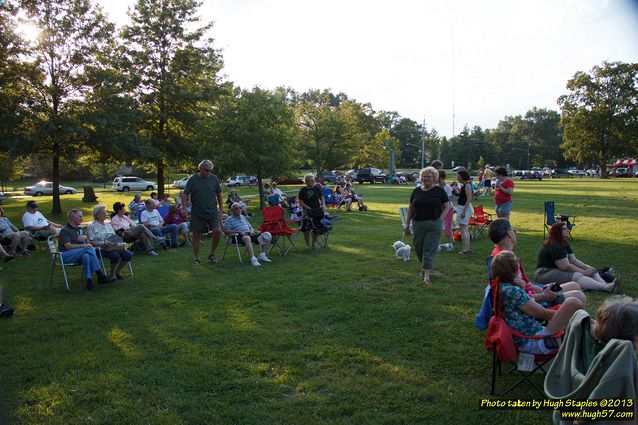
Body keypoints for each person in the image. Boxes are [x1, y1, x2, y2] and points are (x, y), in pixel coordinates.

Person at [492, 250, 584, 354]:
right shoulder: (513, 291)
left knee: (573, 306)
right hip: (532, 340)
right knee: (572, 303)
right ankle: (584, 331)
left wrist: (522, 289)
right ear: (513, 270)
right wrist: (568, 316)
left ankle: (583, 331)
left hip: (526, 334)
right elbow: (542, 314)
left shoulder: (504, 286)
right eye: (518, 266)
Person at [488, 218, 585, 306]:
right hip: (533, 301)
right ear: (509, 234)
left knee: (575, 285)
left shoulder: (502, 253)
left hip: (532, 291)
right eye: (513, 230)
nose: (515, 233)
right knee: (578, 296)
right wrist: (544, 296)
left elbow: (525, 284)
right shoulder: (505, 261)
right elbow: (517, 297)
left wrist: (543, 289)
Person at [534, 222, 618, 292]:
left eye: (567, 228)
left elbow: (573, 260)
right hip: (544, 273)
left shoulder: (564, 242)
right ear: (558, 231)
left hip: (556, 270)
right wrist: (583, 272)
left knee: (591, 269)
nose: (568, 230)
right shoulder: (554, 245)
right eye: (565, 229)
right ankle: (605, 287)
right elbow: (565, 267)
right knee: (578, 275)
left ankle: (606, 285)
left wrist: (586, 268)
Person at [403, 166, 451, 285]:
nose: (426, 179)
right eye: (424, 177)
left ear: (434, 178)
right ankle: (424, 267)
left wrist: (440, 219)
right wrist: (406, 224)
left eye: (429, 177)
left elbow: (447, 206)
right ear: (421, 178)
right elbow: (411, 208)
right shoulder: (416, 191)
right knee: (418, 248)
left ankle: (426, 275)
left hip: (434, 224)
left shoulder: (439, 191)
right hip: (418, 223)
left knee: (429, 249)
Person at [58, 209, 115, 291]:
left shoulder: (80, 229)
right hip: (65, 255)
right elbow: (67, 246)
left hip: (80, 254)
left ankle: (89, 282)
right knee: (89, 248)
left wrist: (85, 237)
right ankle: (100, 274)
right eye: (80, 216)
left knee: (87, 257)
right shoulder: (65, 230)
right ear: (72, 218)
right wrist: (84, 245)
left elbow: (88, 243)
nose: (82, 218)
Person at [183, 159, 224, 265]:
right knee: (196, 235)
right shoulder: (192, 180)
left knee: (217, 230)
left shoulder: (214, 179)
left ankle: (212, 253)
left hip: (212, 211)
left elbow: (219, 195)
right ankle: (196, 258)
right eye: (206, 170)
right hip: (197, 213)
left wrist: (221, 210)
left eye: (210, 170)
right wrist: (183, 208)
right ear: (200, 168)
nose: (209, 172)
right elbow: (185, 194)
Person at [87, 205, 132, 281]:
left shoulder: (108, 225)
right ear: (97, 215)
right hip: (100, 248)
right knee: (115, 255)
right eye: (104, 213)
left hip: (112, 246)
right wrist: (103, 244)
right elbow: (91, 242)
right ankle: (112, 274)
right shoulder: (92, 226)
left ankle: (117, 271)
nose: (106, 215)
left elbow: (114, 237)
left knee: (128, 254)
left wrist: (118, 242)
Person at [223, 202, 272, 266]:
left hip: (249, 234)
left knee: (267, 234)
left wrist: (252, 231)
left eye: (240, 208)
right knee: (247, 238)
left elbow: (250, 227)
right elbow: (226, 231)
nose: (238, 210)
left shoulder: (243, 217)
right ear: (232, 210)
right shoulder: (229, 219)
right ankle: (253, 259)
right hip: (238, 236)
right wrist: (238, 232)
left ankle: (262, 255)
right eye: (236, 208)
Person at [298, 174, 326, 249]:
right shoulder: (303, 190)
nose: (313, 182)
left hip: (316, 211)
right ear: (307, 182)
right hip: (307, 212)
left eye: (314, 180)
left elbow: (322, 197)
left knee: (316, 228)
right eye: (311, 181)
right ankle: (308, 245)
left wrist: (323, 205)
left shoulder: (317, 188)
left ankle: (313, 244)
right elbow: (300, 201)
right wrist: (307, 207)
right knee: (306, 229)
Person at [455, 169, 473, 255]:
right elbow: (463, 197)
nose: (457, 177)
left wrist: (464, 211)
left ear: (462, 176)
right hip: (462, 207)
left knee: (463, 229)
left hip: (464, 208)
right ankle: (467, 248)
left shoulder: (467, 185)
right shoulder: (464, 185)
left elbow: (469, 198)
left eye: (458, 176)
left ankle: (464, 250)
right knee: (464, 229)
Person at [437, 170, 454, 252]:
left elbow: (450, 200)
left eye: (438, 178)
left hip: (448, 209)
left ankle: (450, 245)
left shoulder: (447, 188)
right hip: (439, 210)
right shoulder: (436, 186)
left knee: (447, 227)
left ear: (442, 178)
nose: (437, 180)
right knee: (438, 227)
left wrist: (445, 208)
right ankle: (438, 245)